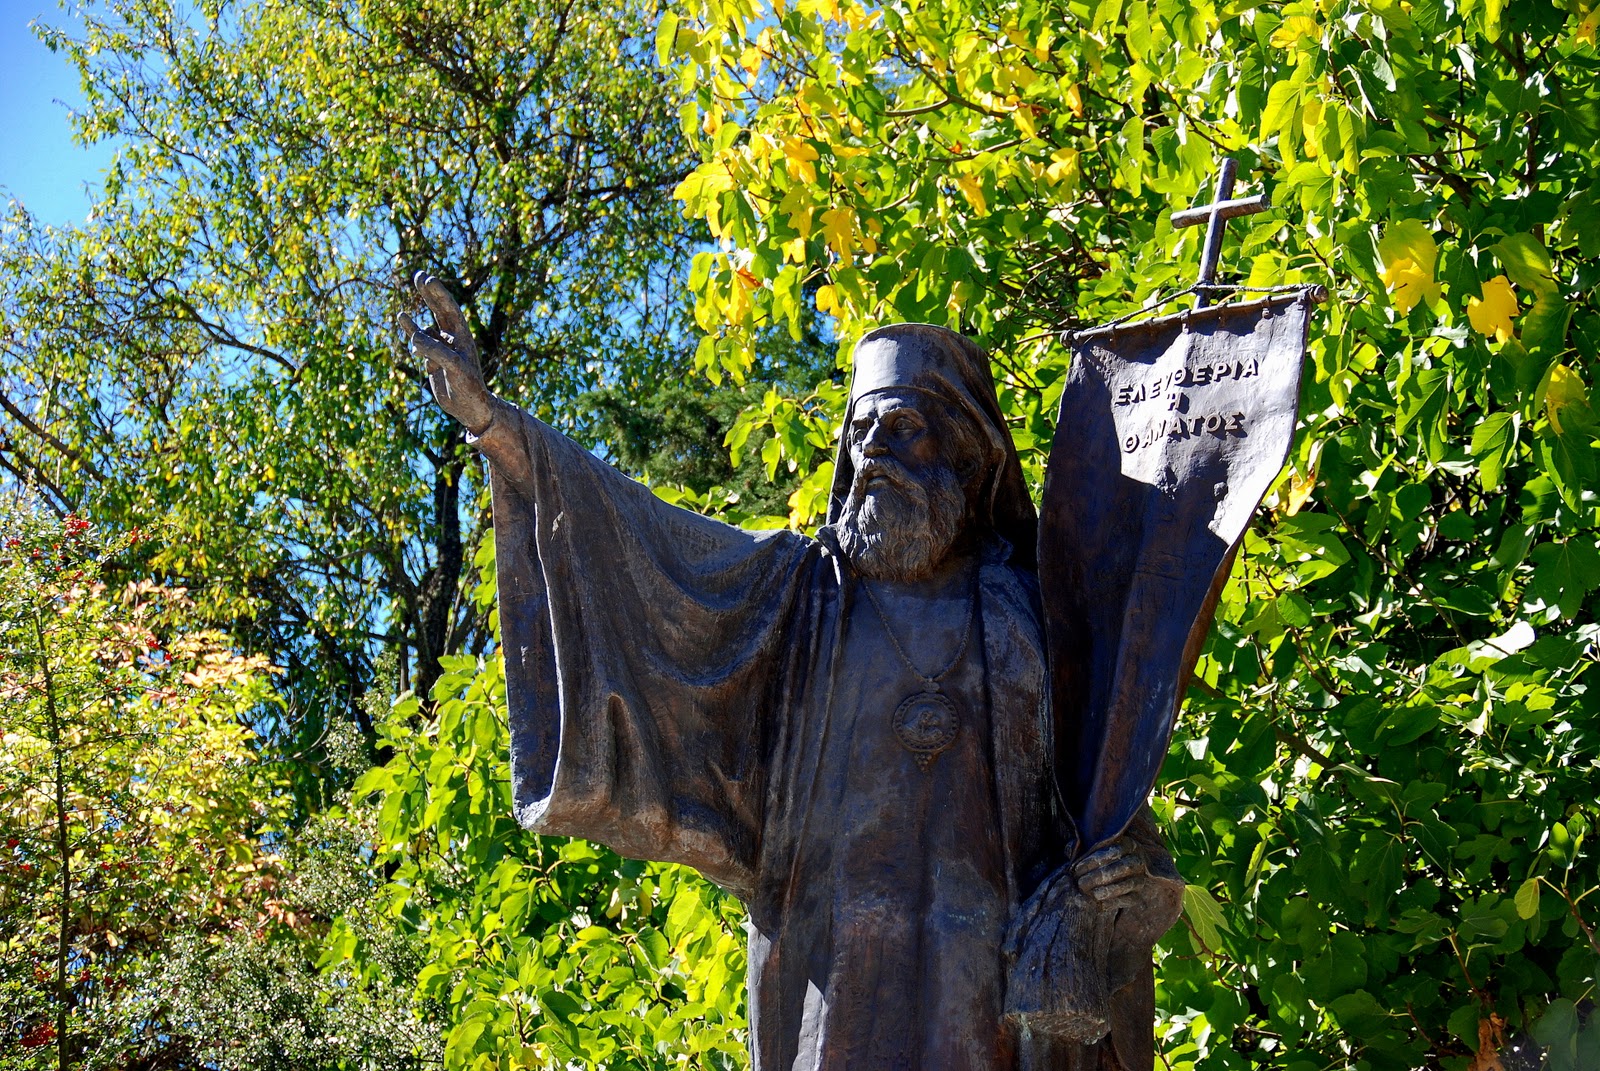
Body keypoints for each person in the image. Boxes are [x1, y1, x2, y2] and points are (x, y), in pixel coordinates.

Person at [399, 274, 1184, 1071]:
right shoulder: (804, 598)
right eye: (861, 430)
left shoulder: (1034, 620)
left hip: (997, 1015)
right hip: (830, 999)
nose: (873, 448)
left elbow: (1120, 833)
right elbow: (645, 555)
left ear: (969, 456)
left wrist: (1133, 880)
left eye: (903, 426)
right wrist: (498, 430)